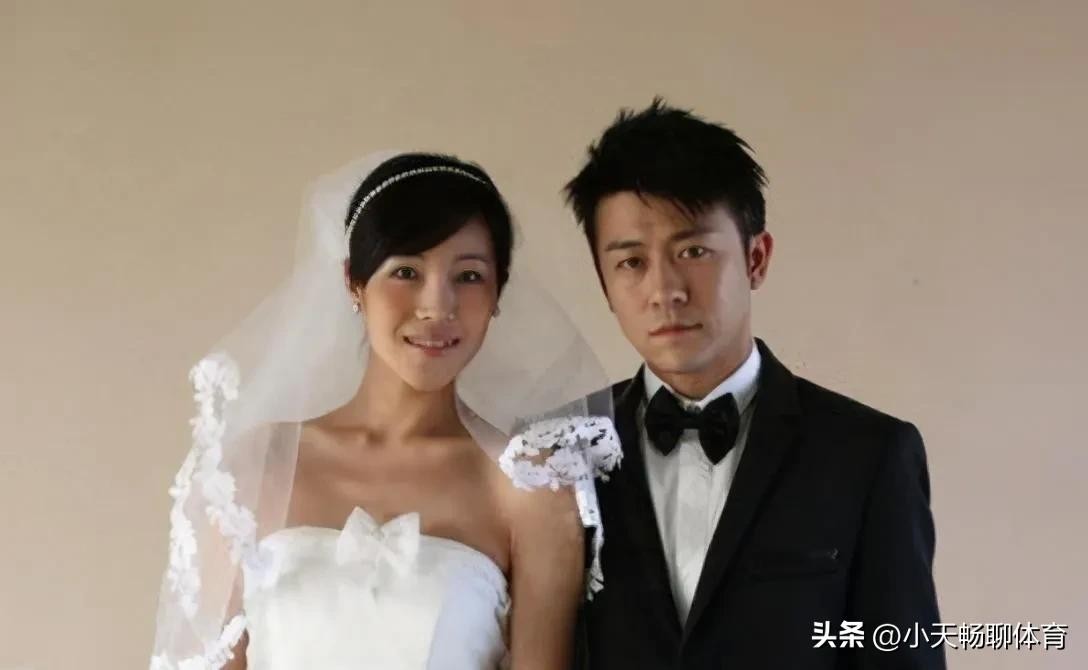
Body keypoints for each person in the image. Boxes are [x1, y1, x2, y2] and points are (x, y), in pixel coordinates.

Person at [150, 152, 620, 669]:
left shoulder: (530, 487)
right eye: (406, 271)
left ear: (498, 292)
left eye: (468, 276)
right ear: (354, 282)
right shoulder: (254, 466)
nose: (436, 307)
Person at [564, 100, 944, 669]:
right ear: (604, 283)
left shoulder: (868, 456)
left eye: (693, 251)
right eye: (631, 262)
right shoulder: (554, 453)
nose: (664, 290)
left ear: (756, 258)